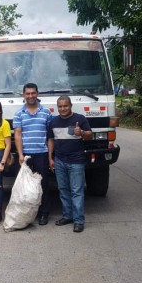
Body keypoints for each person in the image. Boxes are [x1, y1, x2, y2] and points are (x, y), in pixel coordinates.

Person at [47, 96, 92, 233]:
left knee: (76, 191)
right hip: (59, 161)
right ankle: (67, 216)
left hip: (76, 161)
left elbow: (90, 135)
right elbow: (51, 140)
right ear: (57, 107)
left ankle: (78, 220)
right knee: (63, 190)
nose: (63, 109)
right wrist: (50, 157)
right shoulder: (53, 122)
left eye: (65, 106)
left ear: (71, 105)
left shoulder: (80, 119)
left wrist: (82, 132)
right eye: (60, 106)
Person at [13, 83, 53, 225]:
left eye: (33, 93)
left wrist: (49, 157)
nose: (30, 96)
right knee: (26, 186)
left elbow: (50, 137)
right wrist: (20, 155)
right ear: (24, 95)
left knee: (43, 185)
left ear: (37, 94)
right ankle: (29, 214)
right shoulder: (19, 114)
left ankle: (44, 213)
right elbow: (17, 135)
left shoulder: (46, 113)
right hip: (26, 156)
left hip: (42, 154)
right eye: (27, 93)